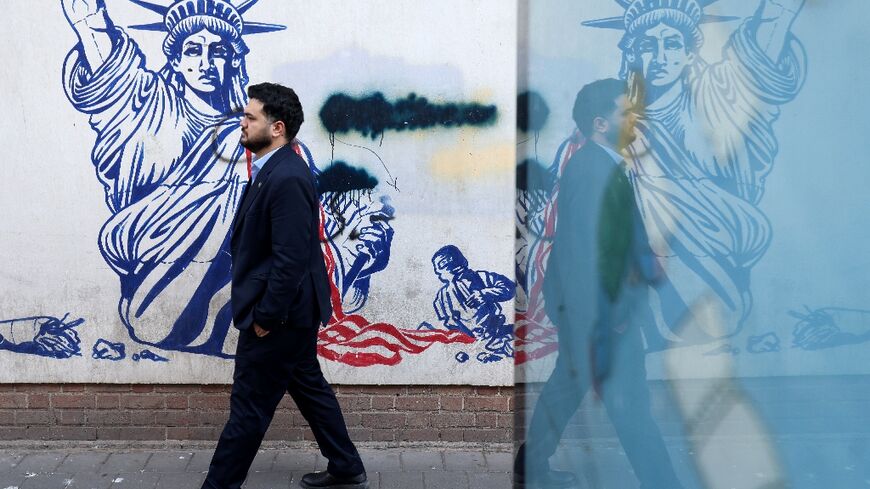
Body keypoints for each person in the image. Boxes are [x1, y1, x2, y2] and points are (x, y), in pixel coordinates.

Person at [515, 79, 682, 489]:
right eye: (626, 114)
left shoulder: (603, 164)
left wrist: (668, 298)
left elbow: (626, 242)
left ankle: (530, 465)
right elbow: (587, 253)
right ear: (600, 123)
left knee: (566, 388)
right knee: (631, 408)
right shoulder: (593, 170)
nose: (635, 122)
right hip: (602, 316)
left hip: (592, 312)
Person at [611, 0, 807, 346]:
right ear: (632, 54)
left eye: (672, 44)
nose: (660, 57)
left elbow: (757, 58)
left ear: (689, 53)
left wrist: (781, 10)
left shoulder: (718, 97)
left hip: (723, 254)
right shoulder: (615, 121)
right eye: (647, 45)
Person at [202, 83, 367, 489]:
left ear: (277, 128)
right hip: (288, 314)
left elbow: (290, 259)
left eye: (250, 117)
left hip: (279, 316)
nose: (242, 123)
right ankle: (346, 467)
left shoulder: (287, 177)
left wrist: (266, 317)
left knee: (249, 409)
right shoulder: (272, 170)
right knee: (308, 385)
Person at [431, 245, 515, 361]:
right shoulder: (442, 297)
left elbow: (510, 288)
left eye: (451, 261)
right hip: (472, 344)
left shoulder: (480, 277)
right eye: (441, 265)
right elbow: (446, 323)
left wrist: (484, 294)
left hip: (497, 332)